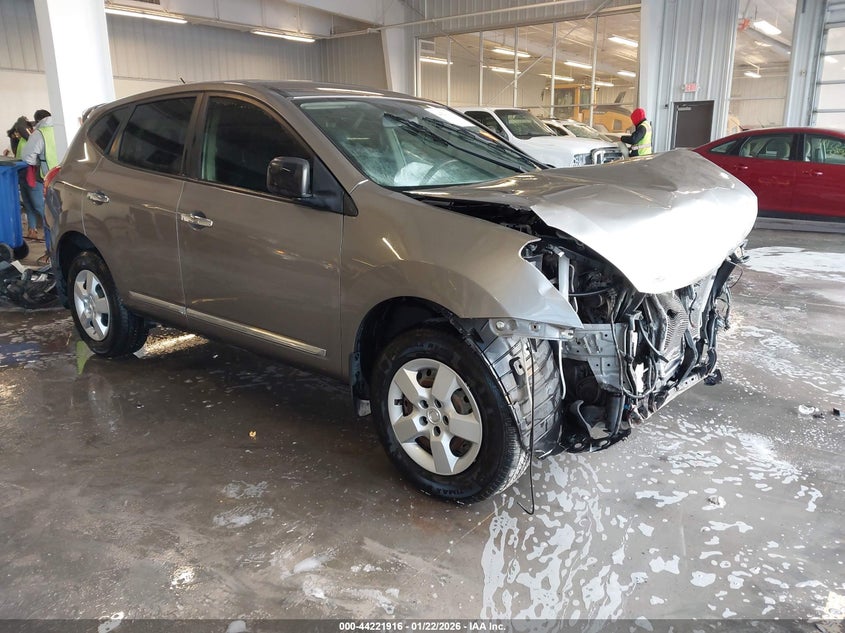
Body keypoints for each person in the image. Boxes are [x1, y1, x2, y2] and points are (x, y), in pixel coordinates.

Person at [20, 110, 57, 242]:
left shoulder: (39, 133)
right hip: (62, 175)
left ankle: (51, 245)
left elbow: (28, 158)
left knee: (44, 210)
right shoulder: (61, 128)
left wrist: (38, 161)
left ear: (37, 121)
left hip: (44, 176)